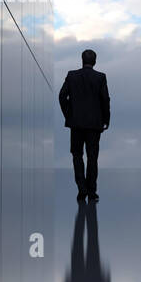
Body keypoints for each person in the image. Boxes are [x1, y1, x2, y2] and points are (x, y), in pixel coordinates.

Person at [58, 48, 110, 201]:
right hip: (94, 125)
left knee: (77, 156)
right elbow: (105, 100)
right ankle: (92, 192)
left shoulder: (71, 75)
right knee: (92, 158)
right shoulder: (100, 77)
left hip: (76, 124)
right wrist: (106, 119)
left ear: (82, 60)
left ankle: (82, 190)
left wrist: (69, 114)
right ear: (94, 61)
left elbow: (62, 96)